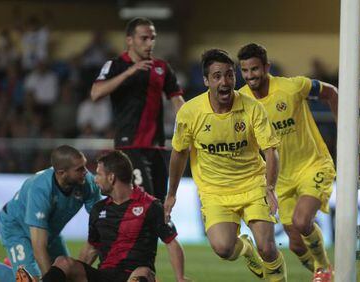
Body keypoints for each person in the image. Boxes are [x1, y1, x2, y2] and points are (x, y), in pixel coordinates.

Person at [164, 49, 287, 281]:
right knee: (223, 249)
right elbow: (179, 153)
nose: (225, 81)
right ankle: (246, 249)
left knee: (268, 248)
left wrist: (270, 188)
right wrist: (172, 193)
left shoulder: (252, 108)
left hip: (253, 185)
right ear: (206, 81)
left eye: (229, 75)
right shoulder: (190, 113)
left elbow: (271, 150)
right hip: (215, 191)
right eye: (217, 76)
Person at [90, 17, 188, 280]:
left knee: (156, 210)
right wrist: (131, 72)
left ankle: (143, 271)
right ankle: (120, 266)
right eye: (144, 37)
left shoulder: (162, 68)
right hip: (129, 149)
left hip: (157, 150)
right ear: (130, 40)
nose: (150, 43)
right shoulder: (116, 65)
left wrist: (191, 123)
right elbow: (96, 93)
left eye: (153, 37)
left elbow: (178, 101)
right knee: (144, 206)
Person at [237, 43, 338, 282]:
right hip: (279, 178)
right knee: (295, 245)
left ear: (266, 67)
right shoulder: (241, 100)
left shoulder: (293, 87)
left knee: (302, 221)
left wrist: (345, 131)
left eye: (255, 69)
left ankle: (324, 268)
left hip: (313, 165)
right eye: (245, 70)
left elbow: (332, 93)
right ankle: (324, 274)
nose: (250, 75)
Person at [42, 150, 184, 282]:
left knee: (143, 272)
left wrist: (180, 278)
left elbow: (172, 243)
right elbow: (91, 249)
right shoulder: (98, 209)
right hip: (104, 276)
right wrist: (74, 273)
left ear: (111, 177)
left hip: (135, 276)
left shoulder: (151, 206)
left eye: (98, 174)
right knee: (63, 262)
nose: (95, 180)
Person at [0, 145, 102, 282]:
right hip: (17, 228)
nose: (86, 172)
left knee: (67, 275)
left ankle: (20, 265)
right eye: (79, 169)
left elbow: (100, 224)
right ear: (62, 173)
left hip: (49, 231)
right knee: (33, 280)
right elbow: (39, 246)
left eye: (84, 166)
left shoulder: (88, 183)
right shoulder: (40, 189)